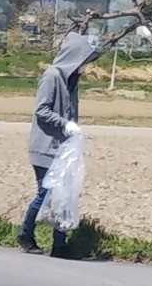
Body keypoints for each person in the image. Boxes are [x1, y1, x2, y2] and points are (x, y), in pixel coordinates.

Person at [18, 32, 100, 258]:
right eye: (84, 61)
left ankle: (59, 245)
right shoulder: (52, 76)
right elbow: (41, 110)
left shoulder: (72, 81)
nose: (85, 66)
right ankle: (25, 234)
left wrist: (73, 132)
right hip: (44, 147)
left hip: (62, 149)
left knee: (63, 195)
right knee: (45, 193)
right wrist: (65, 124)